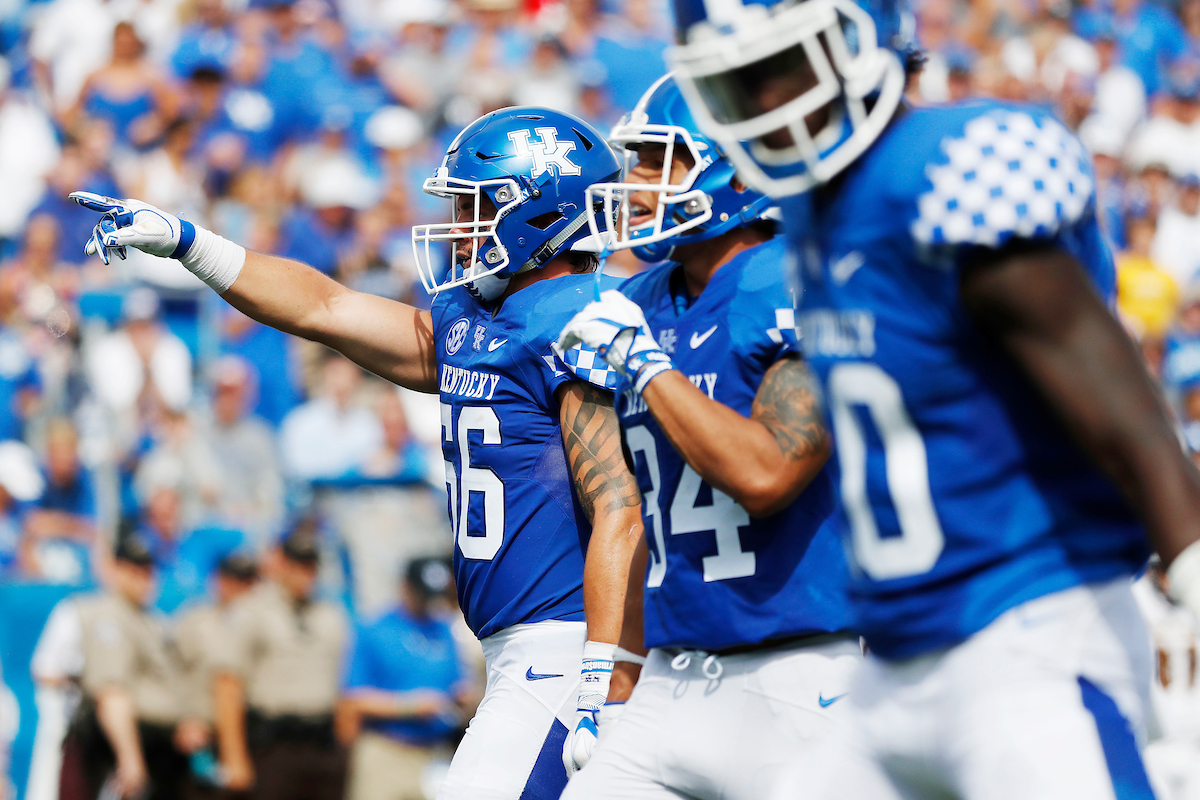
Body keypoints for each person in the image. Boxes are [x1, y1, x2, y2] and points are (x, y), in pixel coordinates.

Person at [664, 0, 1200, 797]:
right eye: (738, 82)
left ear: (859, 41)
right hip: (893, 662)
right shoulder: (812, 212)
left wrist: (1191, 564)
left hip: (1029, 634)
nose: (764, 102)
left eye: (782, 68)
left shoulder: (950, 170)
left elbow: (1117, 398)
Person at [71, 103, 644, 800]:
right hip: (523, 653)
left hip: (568, 648)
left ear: (541, 211)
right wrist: (194, 244)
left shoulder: (576, 315)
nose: (459, 228)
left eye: (476, 207)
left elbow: (619, 507)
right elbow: (326, 308)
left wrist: (604, 673)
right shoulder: (480, 323)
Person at [555, 74, 856, 798]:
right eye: (637, 162)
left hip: (800, 676)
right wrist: (614, 675)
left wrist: (648, 366)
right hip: (671, 677)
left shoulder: (795, 280)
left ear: (740, 169)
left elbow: (767, 475)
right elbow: (633, 511)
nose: (636, 184)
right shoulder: (637, 301)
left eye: (662, 162)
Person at [210, 528, 348, 800]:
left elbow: (343, 684)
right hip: (274, 743)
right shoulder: (250, 610)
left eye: (310, 566)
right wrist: (233, 756)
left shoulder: (330, 614)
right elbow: (228, 685)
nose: (304, 574)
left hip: (321, 743)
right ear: (281, 564)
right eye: (297, 565)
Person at [63, 534, 189, 800]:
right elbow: (112, 694)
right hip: (120, 746)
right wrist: (129, 758)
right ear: (117, 570)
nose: (144, 578)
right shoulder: (108, 617)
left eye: (148, 569)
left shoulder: (151, 620)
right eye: (135, 570)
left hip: (160, 749)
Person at [340, 556, 473, 800]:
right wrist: (410, 705)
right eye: (422, 594)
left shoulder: (444, 629)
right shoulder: (375, 629)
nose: (427, 602)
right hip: (387, 750)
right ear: (405, 586)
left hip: (435, 753)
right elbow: (353, 699)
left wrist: (462, 698)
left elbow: (459, 683)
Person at [173, 552, 259, 797]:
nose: (239, 588)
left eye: (247, 581)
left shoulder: (260, 620)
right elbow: (174, 674)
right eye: (233, 579)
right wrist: (185, 718)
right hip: (205, 733)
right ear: (217, 580)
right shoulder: (195, 621)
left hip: (254, 731)